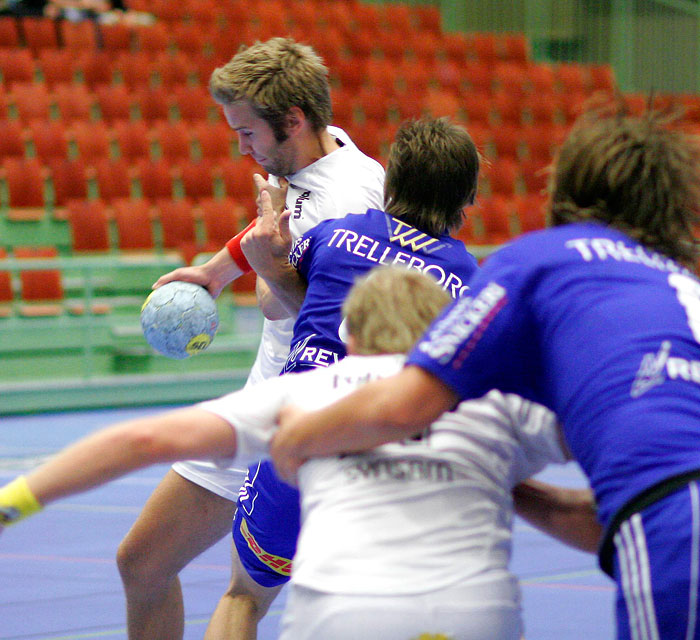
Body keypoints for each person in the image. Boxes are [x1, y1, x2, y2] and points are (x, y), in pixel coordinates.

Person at [273, 100, 700, 639]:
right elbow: (612, 520)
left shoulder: (539, 260)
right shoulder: (681, 288)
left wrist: (297, 438)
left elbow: (407, 404)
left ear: (564, 190)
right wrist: (507, 482)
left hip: (675, 515)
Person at [0, 266, 594, 639]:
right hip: (476, 612)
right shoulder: (493, 401)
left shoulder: (304, 395)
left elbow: (141, 441)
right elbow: (624, 432)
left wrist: (18, 499)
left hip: (345, 613)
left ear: (350, 337)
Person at [115, 37, 385, 640]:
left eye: (245, 132)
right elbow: (273, 228)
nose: (240, 147)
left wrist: (265, 270)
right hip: (257, 405)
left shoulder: (350, 201)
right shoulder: (326, 150)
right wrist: (215, 272)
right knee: (143, 562)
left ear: (292, 121)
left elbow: (302, 308)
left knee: (245, 598)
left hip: (300, 419)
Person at [222, 115, 481, 631]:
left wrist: (269, 260)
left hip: (299, 439)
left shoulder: (337, 236)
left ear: (392, 181)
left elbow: (274, 304)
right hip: (389, 470)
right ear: (466, 198)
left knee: (243, 598)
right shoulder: (469, 280)